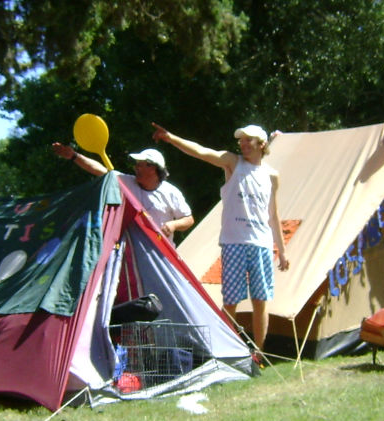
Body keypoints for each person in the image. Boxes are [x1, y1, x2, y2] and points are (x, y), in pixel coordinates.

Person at [151, 122, 290, 352]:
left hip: (262, 244)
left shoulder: (272, 176)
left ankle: (259, 354)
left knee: (260, 301)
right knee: (231, 301)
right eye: (241, 140)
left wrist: (283, 252)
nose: (243, 144)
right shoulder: (233, 163)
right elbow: (202, 152)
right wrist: (171, 137)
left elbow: (273, 216)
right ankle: (230, 351)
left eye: (248, 140)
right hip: (234, 242)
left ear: (262, 144)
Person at [51, 142, 194, 243]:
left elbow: (188, 219)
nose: (135, 168)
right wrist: (74, 156)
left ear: (152, 168)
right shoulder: (127, 183)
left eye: (140, 165)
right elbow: (99, 171)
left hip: (162, 257)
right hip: (132, 256)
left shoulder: (171, 192)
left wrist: (173, 225)